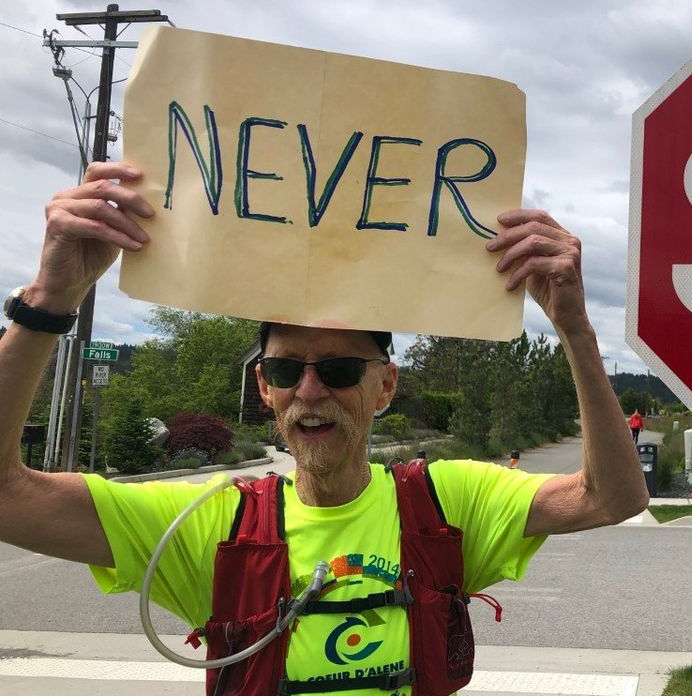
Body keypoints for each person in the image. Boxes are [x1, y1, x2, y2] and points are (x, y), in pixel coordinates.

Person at [0, 161, 648, 694]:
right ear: (264, 388)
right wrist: (47, 303)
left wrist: (574, 328)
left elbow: (611, 496)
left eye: (339, 368)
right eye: (285, 370)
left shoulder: (447, 504)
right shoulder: (208, 522)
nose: (310, 391)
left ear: (385, 386)